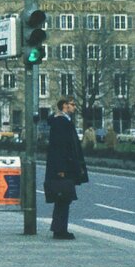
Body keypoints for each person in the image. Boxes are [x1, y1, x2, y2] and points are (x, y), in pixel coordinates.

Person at [45, 97, 88, 240]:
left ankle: (59, 228)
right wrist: (61, 169)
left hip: (65, 165)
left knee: (63, 198)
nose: (74, 107)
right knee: (63, 197)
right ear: (64, 106)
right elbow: (60, 147)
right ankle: (60, 229)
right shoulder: (61, 123)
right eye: (72, 105)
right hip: (63, 166)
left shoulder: (63, 121)